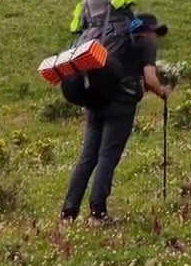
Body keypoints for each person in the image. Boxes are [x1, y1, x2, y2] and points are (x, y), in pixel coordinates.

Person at [60, 12, 172, 224]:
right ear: (147, 31)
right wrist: (163, 92)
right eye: (155, 31)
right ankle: (97, 212)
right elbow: (149, 78)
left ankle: (68, 212)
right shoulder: (144, 44)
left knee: (87, 157)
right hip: (120, 106)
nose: (156, 37)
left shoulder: (112, 42)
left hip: (95, 101)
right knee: (108, 156)